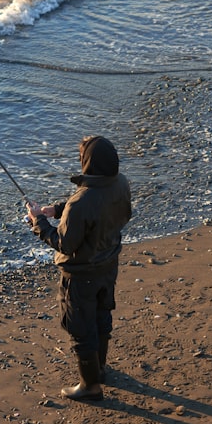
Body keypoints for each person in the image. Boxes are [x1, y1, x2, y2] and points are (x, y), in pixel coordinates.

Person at [26, 136, 132, 401]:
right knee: (101, 316)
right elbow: (112, 212)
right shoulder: (121, 183)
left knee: (80, 327)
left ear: (88, 163)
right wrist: (57, 210)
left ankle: (90, 386)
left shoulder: (81, 202)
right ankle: (100, 369)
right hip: (108, 265)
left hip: (80, 275)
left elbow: (64, 244)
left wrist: (39, 221)